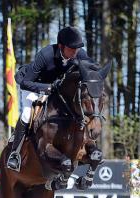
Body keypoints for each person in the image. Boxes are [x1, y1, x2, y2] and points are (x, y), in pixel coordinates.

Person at [7, 26, 95, 171]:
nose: (75, 52)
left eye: (77, 49)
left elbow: (92, 67)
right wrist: (47, 88)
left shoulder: (78, 54)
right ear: (61, 46)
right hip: (35, 86)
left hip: (57, 90)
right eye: (71, 48)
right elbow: (25, 83)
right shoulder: (45, 54)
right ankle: (15, 154)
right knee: (27, 114)